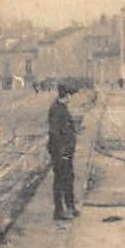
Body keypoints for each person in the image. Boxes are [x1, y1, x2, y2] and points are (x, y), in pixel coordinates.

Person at [47, 84, 79, 220]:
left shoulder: (61, 108)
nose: (70, 98)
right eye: (69, 96)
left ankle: (70, 207)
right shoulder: (56, 110)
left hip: (65, 151)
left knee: (68, 178)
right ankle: (59, 211)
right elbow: (55, 133)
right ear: (65, 96)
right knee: (61, 180)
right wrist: (62, 150)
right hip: (60, 152)